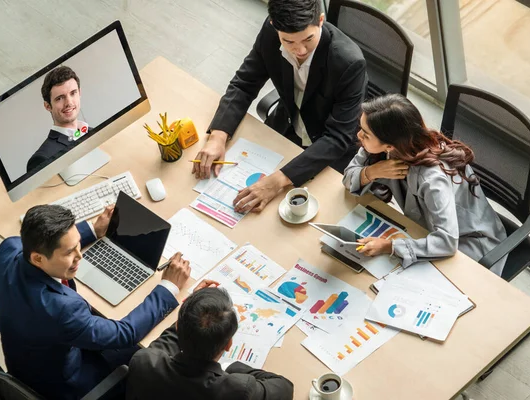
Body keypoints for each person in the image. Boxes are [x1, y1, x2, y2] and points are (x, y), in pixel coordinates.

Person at [0, 204, 191, 399]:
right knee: (149, 352)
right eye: (69, 252)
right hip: (62, 384)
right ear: (38, 259)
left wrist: (92, 231)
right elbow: (125, 333)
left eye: (77, 244)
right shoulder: (63, 310)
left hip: (25, 359)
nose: (80, 256)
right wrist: (168, 287)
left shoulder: (9, 248)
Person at [192, 0, 367, 213]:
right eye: (289, 42)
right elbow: (244, 84)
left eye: (308, 39)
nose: (300, 50)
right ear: (275, 26)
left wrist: (276, 182)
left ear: (320, 21)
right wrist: (218, 136)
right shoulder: (270, 32)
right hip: (286, 128)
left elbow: (338, 137)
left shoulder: (349, 62)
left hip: (328, 150)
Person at [343, 94, 508, 276]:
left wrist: (389, 246)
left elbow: (447, 241)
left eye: (365, 134)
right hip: (426, 230)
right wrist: (372, 172)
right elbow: (348, 177)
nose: (359, 135)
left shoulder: (433, 179)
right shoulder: (386, 146)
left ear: (389, 145)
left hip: (469, 243)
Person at [125, 287, 294, 400]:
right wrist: (232, 367)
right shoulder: (238, 390)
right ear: (228, 345)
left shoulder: (145, 361)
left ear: (177, 326)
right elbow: (285, 387)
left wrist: (192, 310)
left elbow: (166, 343)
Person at [27, 66, 90, 172]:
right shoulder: (41, 159)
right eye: (60, 98)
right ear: (48, 106)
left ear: (79, 93)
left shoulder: (93, 131)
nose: (69, 103)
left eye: (73, 93)